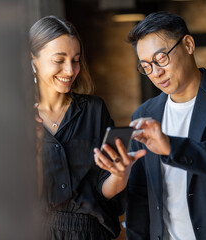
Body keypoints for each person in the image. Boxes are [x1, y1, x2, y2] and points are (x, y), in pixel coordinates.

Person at [95, 11, 206, 240]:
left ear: (188, 44)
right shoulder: (144, 114)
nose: (155, 73)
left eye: (161, 58)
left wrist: (172, 148)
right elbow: (140, 198)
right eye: (145, 66)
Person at [30, 15, 145, 240]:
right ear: (33, 59)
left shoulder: (94, 110)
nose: (70, 70)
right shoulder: (17, 116)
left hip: (90, 233)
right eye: (59, 60)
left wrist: (120, 174)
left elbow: (103, 189)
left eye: (75, 60)